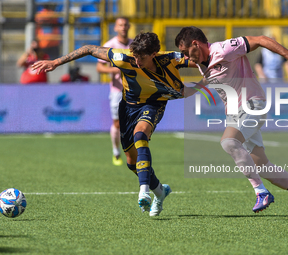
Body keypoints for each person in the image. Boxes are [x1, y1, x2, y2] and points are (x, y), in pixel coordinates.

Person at [31, 32, 194, 217]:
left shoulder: (170, 59)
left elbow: (204, 59)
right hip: (128, 108)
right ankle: (160, 191)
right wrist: (56, 62)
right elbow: (88, 49)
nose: (137, 61)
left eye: (142, 57)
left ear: (154, 54)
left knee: (140, 135)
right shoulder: (124, 57)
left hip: (153, 105)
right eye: (136, 56)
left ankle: (144, 191)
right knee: (132, 163)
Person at [175, 26, 288, 218]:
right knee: (263, 166)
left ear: (196, 44)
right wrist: (172, 93)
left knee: (229, 142)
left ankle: (261, 192)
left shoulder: (225, 48)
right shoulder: (203, 63)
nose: (186, 57)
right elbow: (200, 86)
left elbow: (261, 39)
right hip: (236, 114)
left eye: (186, 52)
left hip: (253, 105)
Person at [96, 17, 133, 166]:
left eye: (125, 25)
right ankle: (116, 152)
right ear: (115, 28)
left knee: (135, 123)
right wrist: (114, 69)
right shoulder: (110, 45)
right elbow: (99, 68)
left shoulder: (134, 45)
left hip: (134, 90)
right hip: (117, 90)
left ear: (129, 26)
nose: (123, 27)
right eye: (120, 25)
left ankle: (132, 153)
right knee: (117, 123)